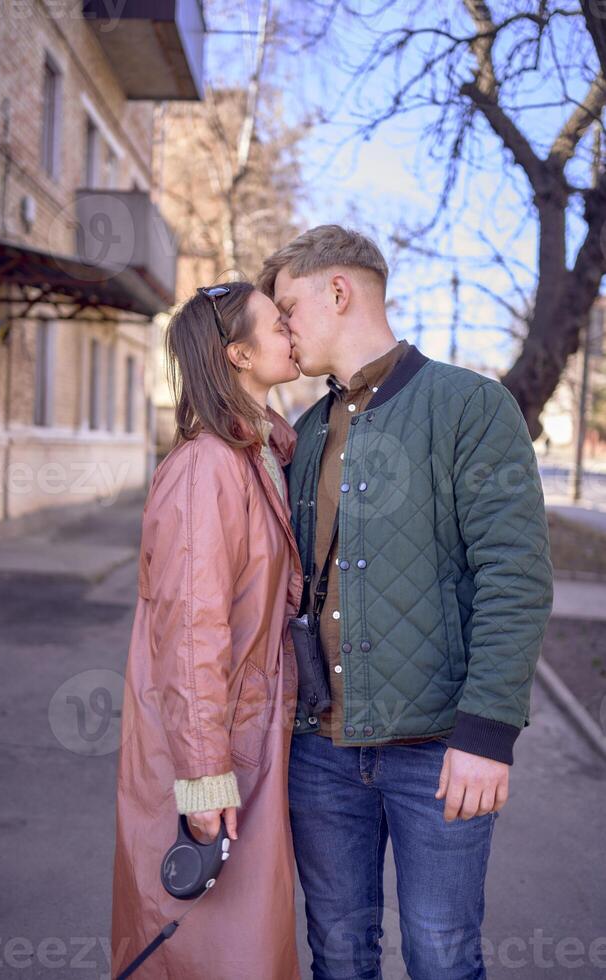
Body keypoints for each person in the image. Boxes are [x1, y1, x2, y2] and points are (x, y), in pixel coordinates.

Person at [257, 225, 554, 980]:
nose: (283, 328)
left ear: (337, 290)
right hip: (319, 752)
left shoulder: (472, 406)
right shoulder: (306, 430)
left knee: (444, 959)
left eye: (288, 306)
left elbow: (514, 576)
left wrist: (487, 734)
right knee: (340, 958)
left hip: (437, 751)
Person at [110, 281, 304, 980]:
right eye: (278, 325)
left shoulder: (259, 454)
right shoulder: (206, 468)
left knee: (243, 946)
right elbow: (192, 635)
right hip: (214, 759)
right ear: (239, 354)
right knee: (217, 951)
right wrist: (201, 783)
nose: (292, 333)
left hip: (246, 742)